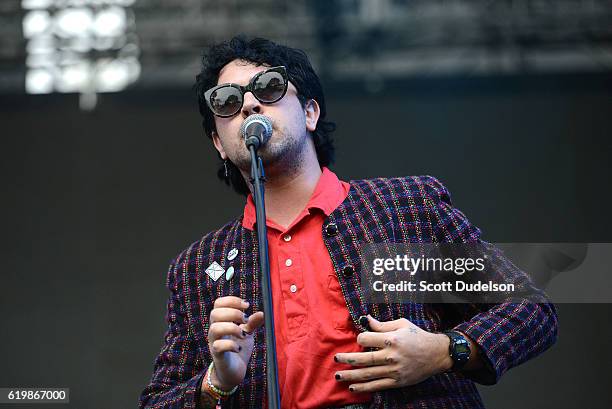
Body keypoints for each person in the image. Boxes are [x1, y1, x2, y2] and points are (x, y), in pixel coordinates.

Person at [139, 36, 558, 409]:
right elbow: (157, 400)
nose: (249, 103)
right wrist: (218, 383)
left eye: (268, 88)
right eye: (227, 102)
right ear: (218, 143)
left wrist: (443, 350)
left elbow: (529, 310)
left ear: (309, 113)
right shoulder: (197, 268)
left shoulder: (405, 210)